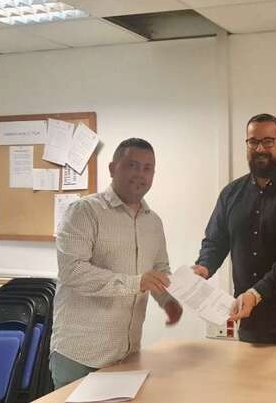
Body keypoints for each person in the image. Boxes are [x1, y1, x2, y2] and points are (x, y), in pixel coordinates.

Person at [50, 138, 182, 389]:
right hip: (80, 354)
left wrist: (167, 300)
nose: (140, 174)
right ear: (112, 168)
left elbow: (159, 270)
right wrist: (136, 283)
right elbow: (72, 271)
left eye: (147, 168)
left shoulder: (153, 222)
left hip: (127, 353)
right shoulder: (84, 211)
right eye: (132, 165)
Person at [192, 114, 276, 346]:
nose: (260, 149)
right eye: (253, 142)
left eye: (268, 141)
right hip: (250, 317)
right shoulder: (231, 194)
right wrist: (204, 266)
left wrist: (257, 292)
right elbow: (215, 241)